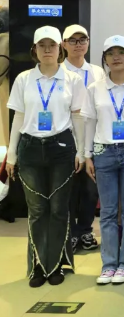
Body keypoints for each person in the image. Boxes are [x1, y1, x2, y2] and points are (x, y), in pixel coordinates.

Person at [6, 26, 86, 287]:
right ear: (35, 49)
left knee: (59, 209)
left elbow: (78, 118)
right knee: (38, 210)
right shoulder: (24, 79)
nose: (48, 49)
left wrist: (82, 151)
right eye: (42, 45)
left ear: (60, 48)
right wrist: (11, 155)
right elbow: (18, 117)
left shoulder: (72, 80)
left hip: (61, 149)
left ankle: (56, 264)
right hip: (30, 149)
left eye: (52, 45)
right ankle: (39, 265)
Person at [83, 35, 124, 285]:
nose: (116, 57)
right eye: (111, 53)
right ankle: (109, 264)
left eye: (121, 52)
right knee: (108, 212)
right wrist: (87, 155)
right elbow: (90, 123)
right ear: (105, 58)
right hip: (104, 152)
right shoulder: (95, 89)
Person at [62, 24, 105, 254]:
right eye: (73, 40)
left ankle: (86, 230)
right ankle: (70, 233)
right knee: (69, 190)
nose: (78, 45)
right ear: (64, 44)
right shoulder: (59, 72)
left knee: (90, 189)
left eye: (82, 40)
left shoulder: (98, 72)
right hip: (67, 138)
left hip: (94, 137)